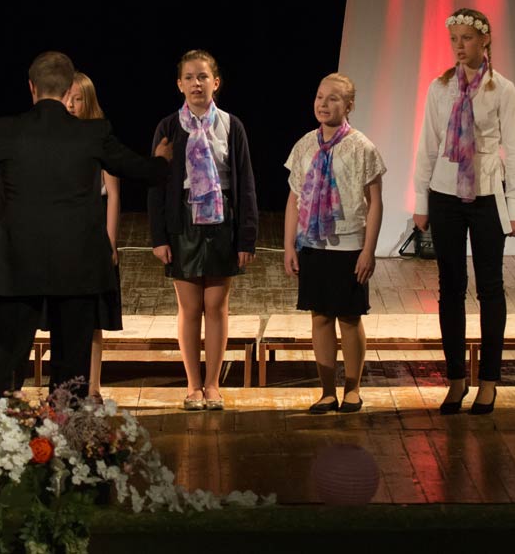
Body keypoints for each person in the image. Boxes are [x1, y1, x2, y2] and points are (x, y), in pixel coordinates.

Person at [0, 51, 172, 401]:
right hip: (76, 267)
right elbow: (143, 171)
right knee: (71, 371)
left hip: (16, 267)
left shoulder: (3, 131)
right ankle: (65, 431)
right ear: (67, 92)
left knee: (3, 365)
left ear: (31, 87)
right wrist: (162, 160)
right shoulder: (93, 133)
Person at [412, 8, 515, 415]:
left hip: (486, 194)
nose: (459, 46)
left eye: (467, 38)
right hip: (445, 193)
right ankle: (456, 379)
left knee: (490, 287)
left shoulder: (502, 89)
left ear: (485, 40)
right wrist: (421, 200)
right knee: (450, 287)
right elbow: (428, 144)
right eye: (454, 39)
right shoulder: (440, 87)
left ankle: (489, 381)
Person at [148, 50, 258, 410]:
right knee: (190, 306)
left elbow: (245, 183)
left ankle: (212, 384)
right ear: (179, 84)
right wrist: (159, 237)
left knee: (216, 305)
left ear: (216, 82)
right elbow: (156, 184)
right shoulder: (168, 127)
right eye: (190, 77)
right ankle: (193, 385)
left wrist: (246, 237)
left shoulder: (231, 125)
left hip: (221, 221)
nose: (196, 83)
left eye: (203, 76)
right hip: (183, 221)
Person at [283, 73, 384, 414]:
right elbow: (294, 199)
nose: (323, 104)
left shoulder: (362, 147)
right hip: (313, 244)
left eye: (333, 98)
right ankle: (327, 391)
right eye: (319, 97)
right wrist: (289, 245)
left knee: (350, 318)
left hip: (349, 246)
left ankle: (352, 389)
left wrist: (368, 250)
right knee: (320, 317)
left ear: (349, 105)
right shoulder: (304, 145)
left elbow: (375, 202)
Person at [66, 72, 120, 401]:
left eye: (78, 99)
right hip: (63, 229)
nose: (72, 105)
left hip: (94, 225)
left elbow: (113, 193)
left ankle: (94, 387)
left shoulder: (100, 136)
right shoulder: (54, 138)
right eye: (67, 99)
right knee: (64, 316)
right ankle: (66, 387)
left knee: (93, 317)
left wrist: (110, 242)